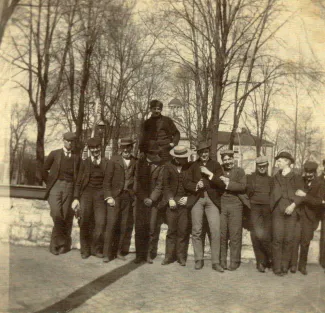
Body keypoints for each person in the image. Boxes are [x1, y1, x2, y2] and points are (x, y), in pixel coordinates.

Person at [184, 142, 225, 272]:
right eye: (201, 152)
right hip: (197, 199)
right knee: (196, 230)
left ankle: (215, 262)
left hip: (212, 200)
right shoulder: (193, 166)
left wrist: (209, 173)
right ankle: (198, 259)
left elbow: (221, 184)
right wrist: (196, 186)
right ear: (198, 154)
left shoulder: (216, 165)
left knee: (215, 230)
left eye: (206, 152)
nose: (204, 154)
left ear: (209, 152)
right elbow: (186, 182)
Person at [43, 132, 80, 255]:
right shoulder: (55, 154)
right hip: (55, 186)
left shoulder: (76, 157)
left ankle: (55, 245)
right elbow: (43, 170)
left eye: (72, 141)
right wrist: (49, 183)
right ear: (63, 140)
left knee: (64, 216)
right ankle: (61, 242)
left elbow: (78, 177)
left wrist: (76, 195)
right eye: (68, 141)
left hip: (69, 187)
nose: (70, 143)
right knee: (56, 214)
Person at [71, 137, 108, 259]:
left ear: (100, 148)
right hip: (86, 194)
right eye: (93, 148)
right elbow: (78, 182)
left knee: (101, 223)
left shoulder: (106, 162)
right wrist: (76, 198)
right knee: (84, 221)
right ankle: (85, 250)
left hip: (100, 195)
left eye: (97, 147)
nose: (95, 150)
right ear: (90, 149)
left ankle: (96, 248)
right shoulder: (84, 163)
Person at [102, 138, 137, 262]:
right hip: (115, 197)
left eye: (128, 147)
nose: (126, 149)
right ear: (120, 148)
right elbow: (106, 181)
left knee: (123, 225)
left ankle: (118, 252)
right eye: (124, 147)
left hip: (127, 197)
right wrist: (108, 196)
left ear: (132, 147)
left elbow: (136, 180)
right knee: (111, 224)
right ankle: (107, 254)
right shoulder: (113, 160)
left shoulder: (134, 161)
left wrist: (134, 195)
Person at [270, 151, 304, 276]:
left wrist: (293, 205)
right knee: (277, 239)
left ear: (287, 162)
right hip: (277, 211)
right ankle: (277, 267)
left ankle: (285, 266)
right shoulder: (275, 177)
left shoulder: (297, 177)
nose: (277, 163)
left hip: (292, 210)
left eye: (279, 160)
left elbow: (302, 194)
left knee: (289, 239)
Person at [161, 145, 194, 267]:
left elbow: (193, 184)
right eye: (181, 158)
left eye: (185, 157)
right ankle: (168, 256)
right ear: (175, 157)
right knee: (171, 230)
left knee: (183, 230)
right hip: (172, 203)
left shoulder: (189, 167)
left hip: (184, 203)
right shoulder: (168, 167)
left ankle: (181, 257)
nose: (184, 160)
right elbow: (166, 185)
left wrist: (188, 198)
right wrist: (170, 199)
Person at [289, 161, 323, 275]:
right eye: (307, 172)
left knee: (305, 242)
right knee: (295, 240)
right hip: (298, 215)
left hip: (310, 218)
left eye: (311, 173)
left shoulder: (320, 183)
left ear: (315, 172)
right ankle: (293, 264)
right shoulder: (300, 180)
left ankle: (302, 266)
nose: (308, 175)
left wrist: (305, 196)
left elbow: (319, 202)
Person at [133, 142, 165, 264]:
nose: (155, 155)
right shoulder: (139, 164)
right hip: (140, 201)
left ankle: (148, 254)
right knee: (139, 228)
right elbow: (136, 183)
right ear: (147, 153)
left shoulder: (160, 165)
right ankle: (139, 255)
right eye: (152, 153)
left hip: (153, 202)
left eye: (156, 153)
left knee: (152, 228)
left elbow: (160, 185)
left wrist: (151, 199)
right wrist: (143, 198)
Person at [219, 150, 247, 271]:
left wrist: (228, 183)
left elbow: (242, 186)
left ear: (233, 159)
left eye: (229, 159)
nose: (227, 162)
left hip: (236, 204)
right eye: (225, 160)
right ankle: (222, 261)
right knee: (222, 234)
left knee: (235, 234)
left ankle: (235, 261)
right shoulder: (219, 170)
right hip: (222, 204)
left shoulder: (240, 171)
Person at [246, 156, 273, 273]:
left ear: (267, 166)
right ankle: (261, 261)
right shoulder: (251, 178)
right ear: (256, 167)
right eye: (260, 166)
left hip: (268, 209)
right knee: (258, 235)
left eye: (264, 166)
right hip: (255, 208)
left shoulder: (271, 180)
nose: (262, 168)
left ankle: (267, 260)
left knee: (267, 235)